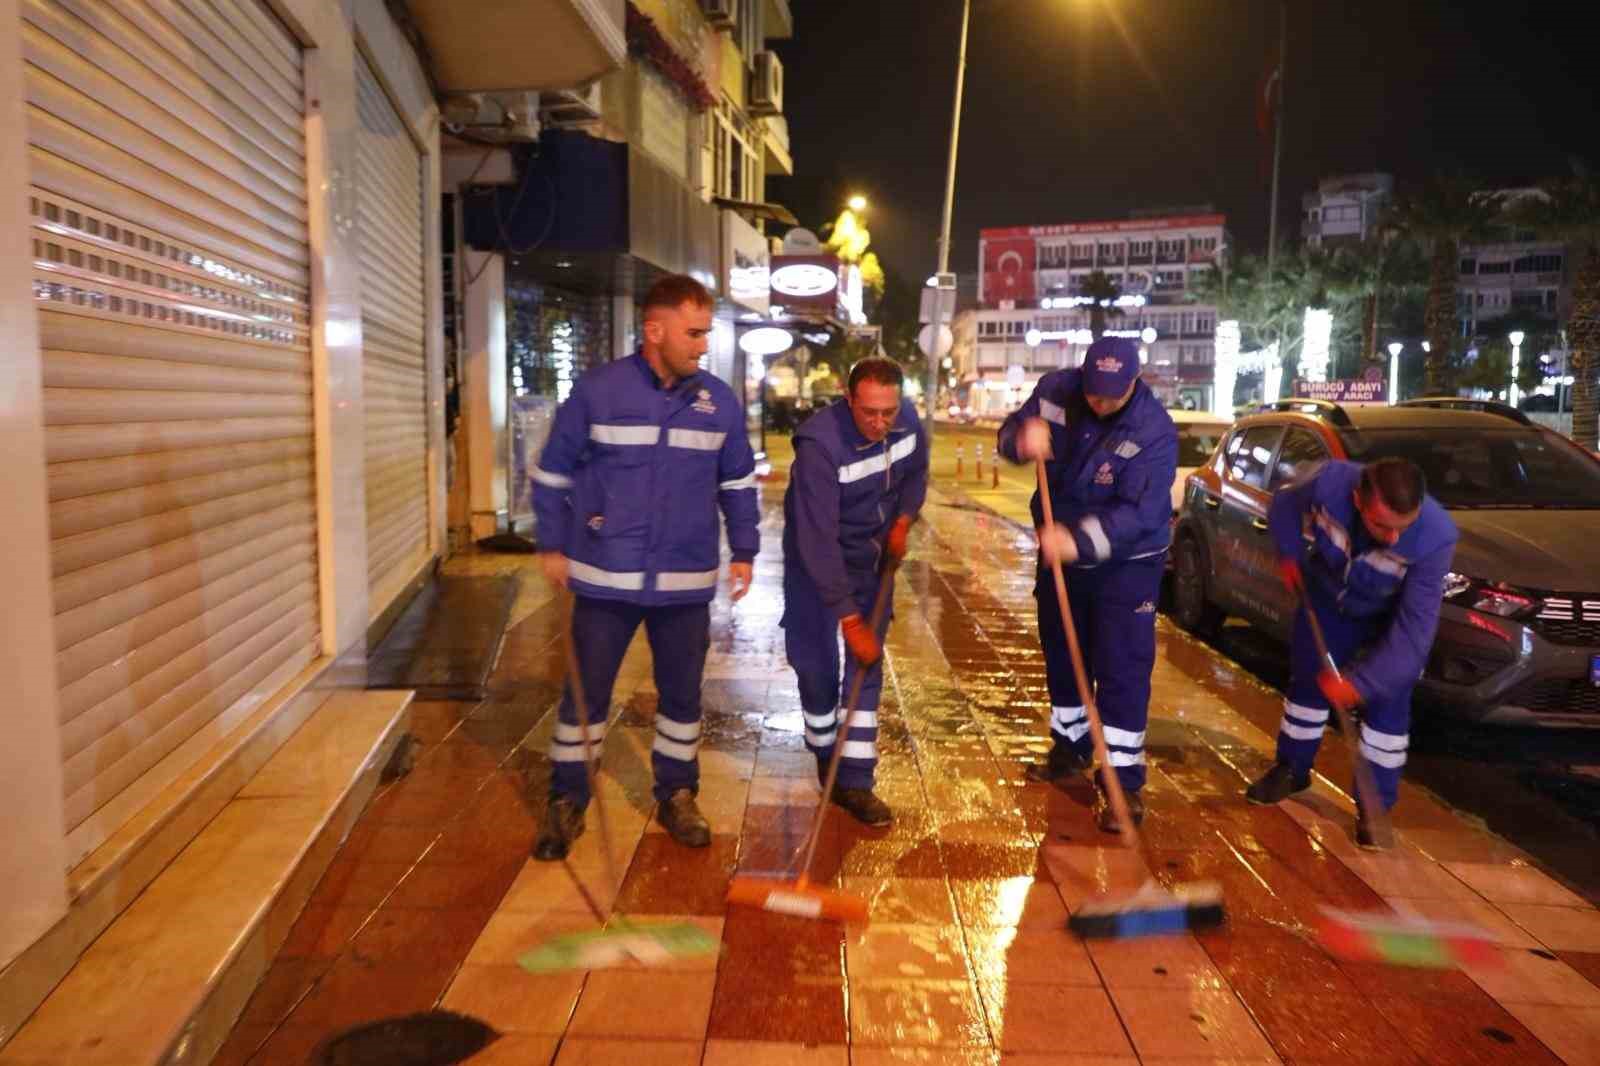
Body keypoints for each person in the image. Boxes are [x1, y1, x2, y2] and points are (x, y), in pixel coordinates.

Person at [529, 275, 759, 859]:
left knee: (682, 698)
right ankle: (566, 800)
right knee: (586, 696)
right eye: (694, 332)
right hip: (606, 578)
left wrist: (747, 551)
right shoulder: (599, 392)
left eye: (706, 332)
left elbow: (737, 482)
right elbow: (552, 473)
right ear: (654, 330)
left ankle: (677, 794)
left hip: (684, 582)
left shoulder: (717, 402)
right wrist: (554, 544)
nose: (703, 345)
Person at [997, 336, 1177, 831]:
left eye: (1110, 396)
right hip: (1059, 551)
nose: (1099, 403)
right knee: (1061, 653)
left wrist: (1078, 542)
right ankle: (1070, 749)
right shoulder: (1057, 390)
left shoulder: (1153, 432)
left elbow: (1139, 514)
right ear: (1082, 375)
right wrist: (1019, 438)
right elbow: (1011, 432)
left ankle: (1122, 782)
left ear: (1134, 383)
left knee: (1121, 669)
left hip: (1125, 564)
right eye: (1093, 391)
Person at [1245, 457, 1458, 848]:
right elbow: (1285, 503)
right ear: (1358, 500)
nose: (1393, 539)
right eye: (1382, 525)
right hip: (1326, 599)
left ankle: (1374, 806)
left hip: (1387, 620)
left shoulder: (1435, 537)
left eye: (1402, 527)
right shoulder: (1328, 482)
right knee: (1309, 682)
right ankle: (1292, 768)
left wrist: (1361, 684)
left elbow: (1414, 633)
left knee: (1387, 707)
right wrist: (1289, 553)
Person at [782, 356, 928, 826]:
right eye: (870, 413)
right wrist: (848, 619)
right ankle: (826, 753)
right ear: (849, 400)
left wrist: (904, 520)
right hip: (815, 565)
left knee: (865, 668)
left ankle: (856, 780)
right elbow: (816, 538)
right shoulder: (820, 446)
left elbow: (916, 476)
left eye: (889, 411)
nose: (881, 423)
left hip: (872, 564)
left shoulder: (907, 425)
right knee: (814, 663)